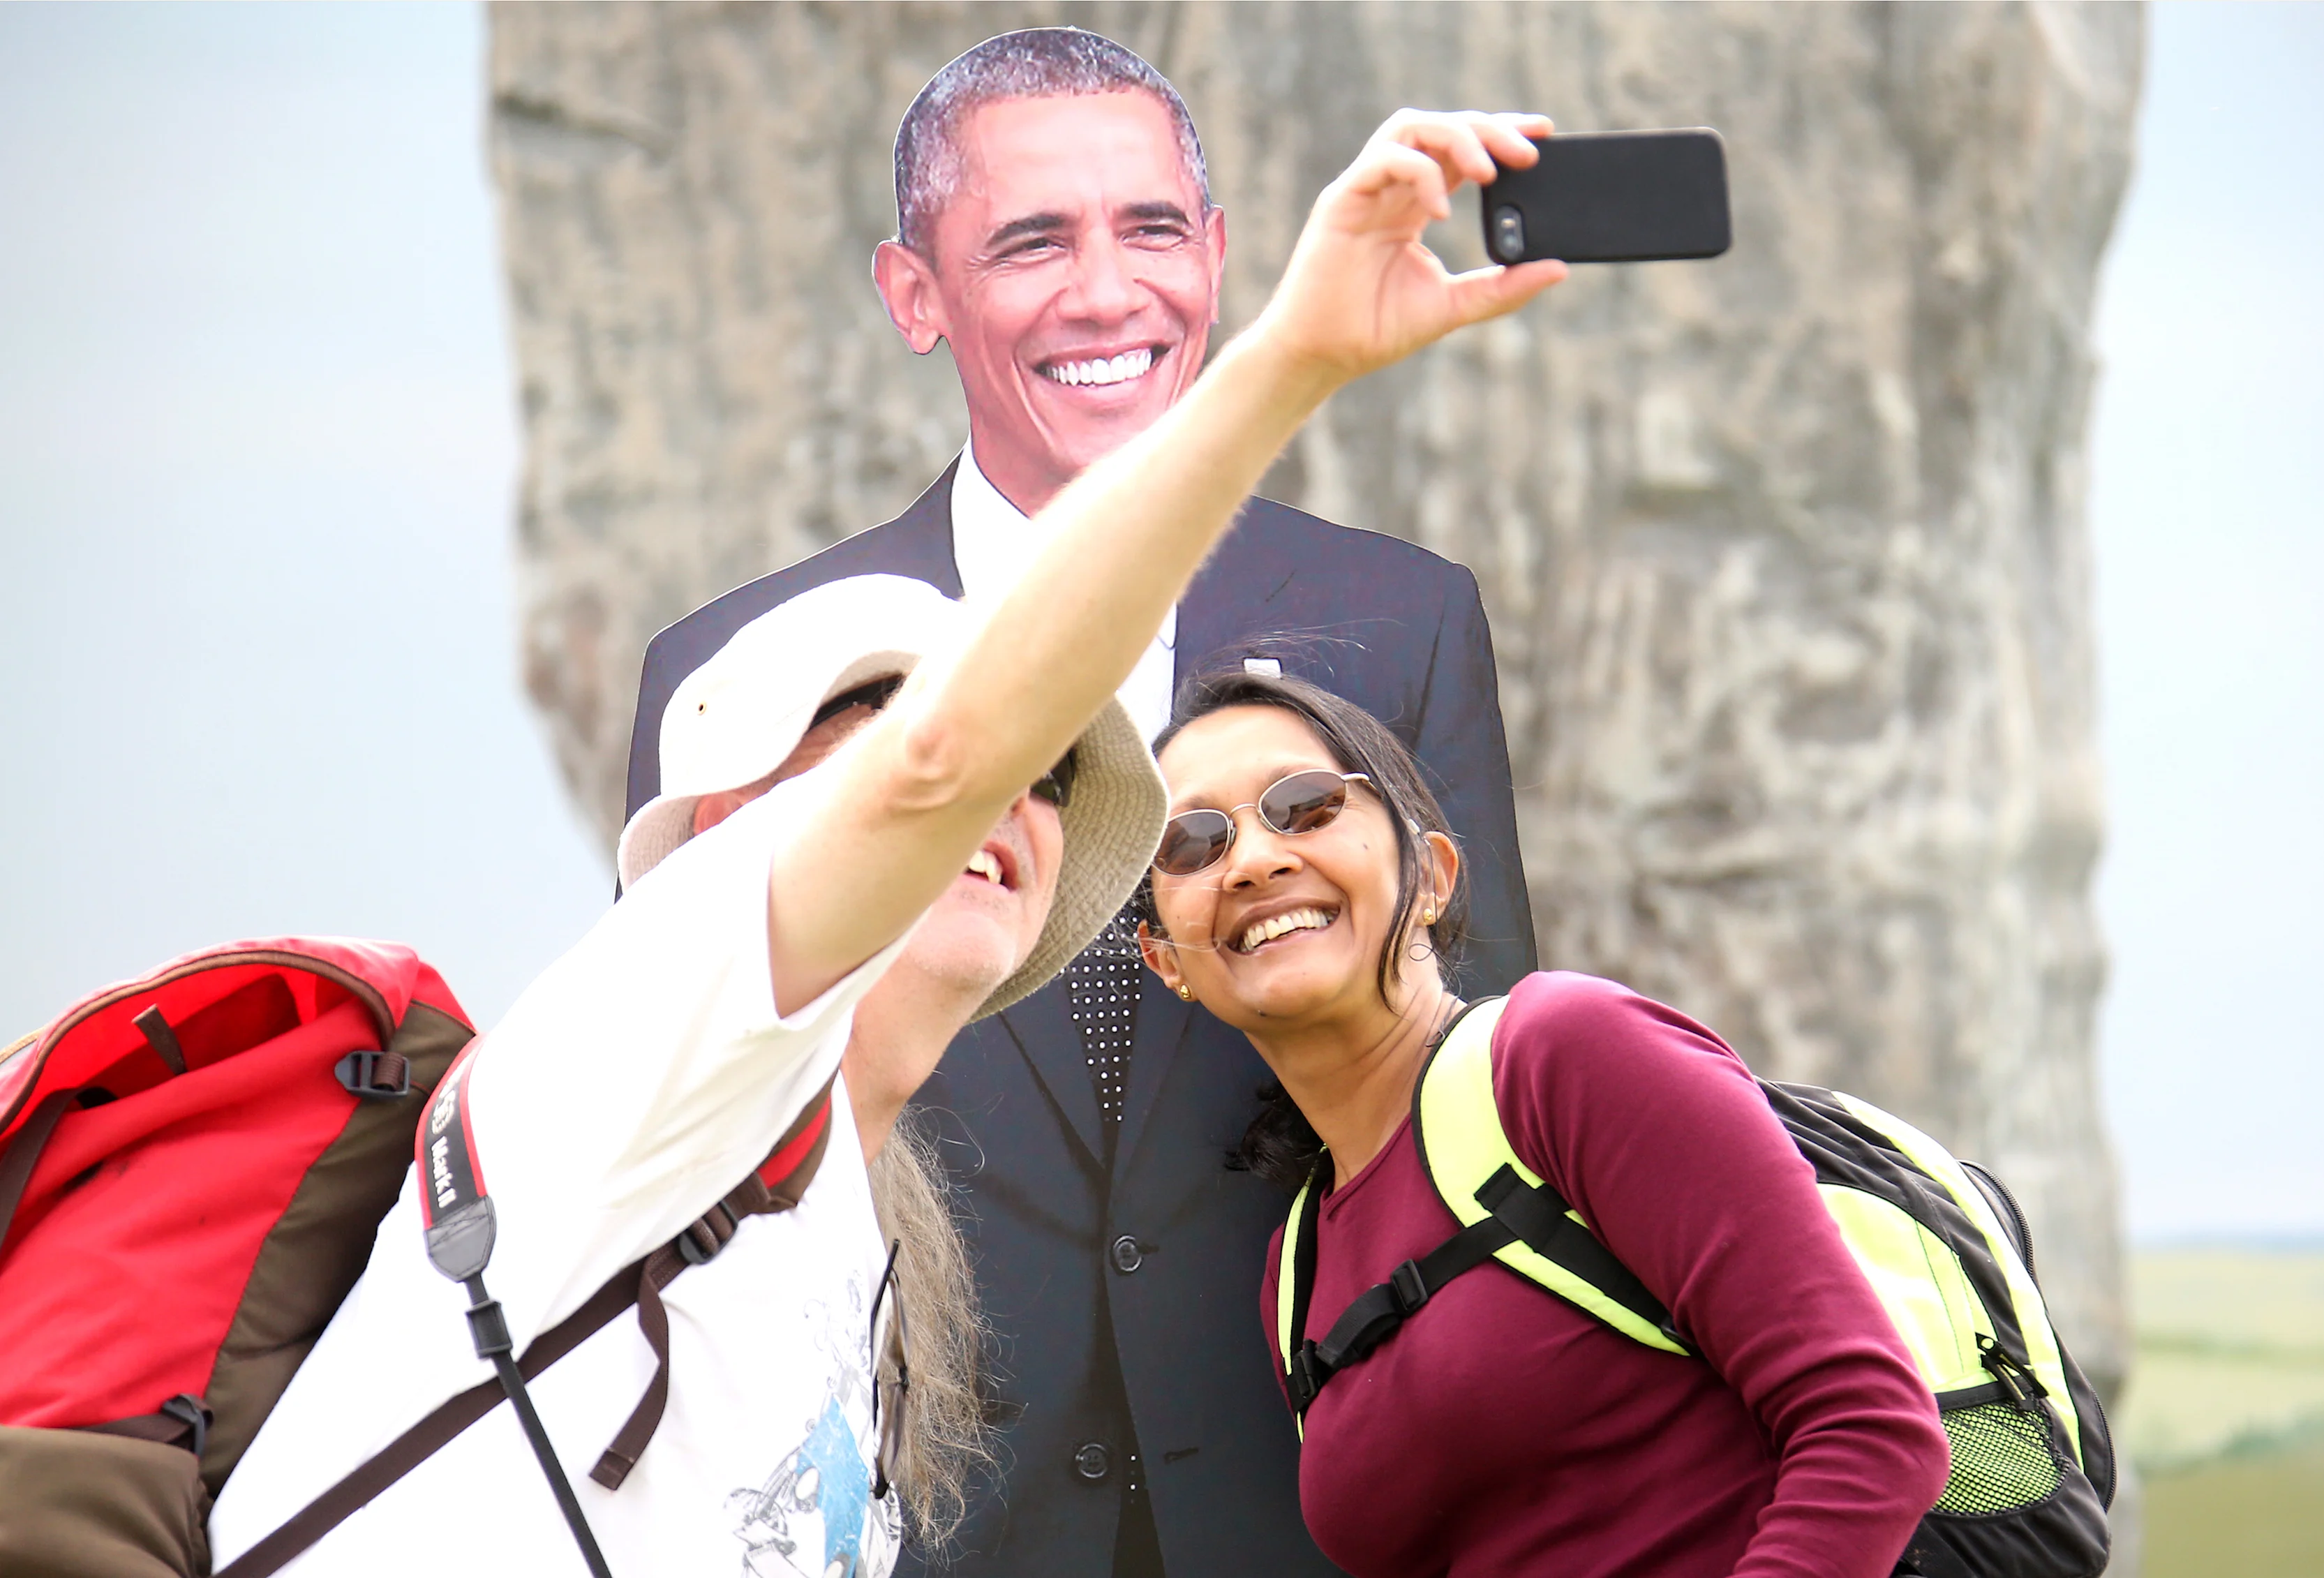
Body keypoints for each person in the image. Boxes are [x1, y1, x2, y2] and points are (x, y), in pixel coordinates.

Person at [206, 105, 1570, 1578]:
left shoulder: (837, 1244)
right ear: (723, 829)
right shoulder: (640, 1040)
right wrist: (1291, 363)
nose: (1008, 796)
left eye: (1058, 773)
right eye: (870, 722)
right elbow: (943, 764)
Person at [625, 33, 1537, 1577]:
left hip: (1322, 1502)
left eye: (1152, 229)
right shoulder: (739, 679)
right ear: (914, 293)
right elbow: (704, 1131)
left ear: (1226, 256)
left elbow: (1479, 1072)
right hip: (921, 1509)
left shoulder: (1407, 620)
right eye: (1031, 241)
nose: (1107, 291)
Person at [1132, 669, 1954, 1578]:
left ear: (1432, 876)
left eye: (1307, 806)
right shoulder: (1297, 1277)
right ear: (1166, 958)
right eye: (1193, 843)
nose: (1251, 859)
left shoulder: (1561, 1058)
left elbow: (1871, 1427)